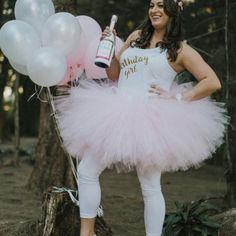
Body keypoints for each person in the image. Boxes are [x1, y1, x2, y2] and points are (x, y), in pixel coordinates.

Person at [56, 0, 228, 235]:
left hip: (151, 119)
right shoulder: (136, 36)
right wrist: (111, 48)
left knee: (149, 186)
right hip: (117, 112)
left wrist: (177, 98)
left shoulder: (179, 49)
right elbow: (115, 74)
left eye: (161, 5)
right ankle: (87, 233)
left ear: (173, 11)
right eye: (151, 5)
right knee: (87, 170)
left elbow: (212, 82)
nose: (154, 10)